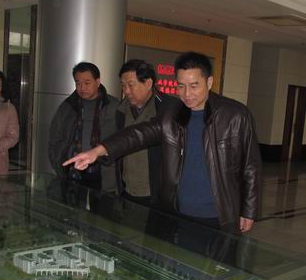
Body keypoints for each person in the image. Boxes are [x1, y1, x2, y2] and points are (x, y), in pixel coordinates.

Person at [63, 51, 261, 235]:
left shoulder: (235, 115)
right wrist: (97, 151)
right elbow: (138, 134)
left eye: (194, 86)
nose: (187, 94)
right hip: (179, 212)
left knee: (220, 261)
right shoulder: (172, 115)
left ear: (209, 82)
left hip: (220, 214)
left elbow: (250, 166)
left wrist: (248, 210)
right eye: (181, 86)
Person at [48, 62, 119, 192]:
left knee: (103, 204)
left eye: (87, 83)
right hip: (73, 171)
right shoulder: (68, 106)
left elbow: (122, 139)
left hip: (104, 172)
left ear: (97, 82)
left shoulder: (114, 106)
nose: (82, 88)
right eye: (78, 83)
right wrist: (57, 163)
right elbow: (54, 137)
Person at [116, 59, 178, 206]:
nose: (126, 91)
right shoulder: (120, 109)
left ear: (148, 83)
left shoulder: (169, 108)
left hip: (157, 194)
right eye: (123, 85)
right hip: (127, 189)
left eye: (131, 85)